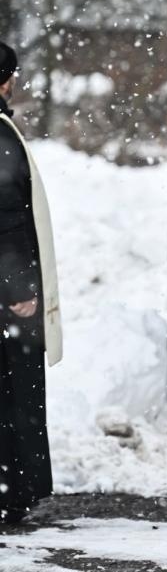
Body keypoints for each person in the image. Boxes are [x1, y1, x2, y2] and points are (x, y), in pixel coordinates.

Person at [0, 42, 62, 528]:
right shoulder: (0, 136)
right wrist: (19, 287)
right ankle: (13, 490)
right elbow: (8, 219)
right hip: (6, 299)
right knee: (13, 390)